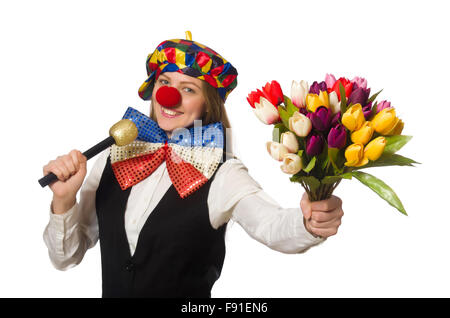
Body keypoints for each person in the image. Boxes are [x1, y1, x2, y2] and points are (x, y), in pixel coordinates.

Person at [42, 32, 344, 298]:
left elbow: (271, 226)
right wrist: (64, 199)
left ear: (207, 103)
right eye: (164, 82)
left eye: (188, 89)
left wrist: (310, 223)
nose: (169, 97)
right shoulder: (115, 158)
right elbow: (65, 257)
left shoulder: (222, 172)